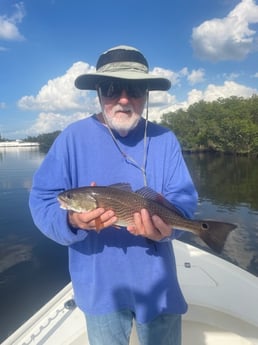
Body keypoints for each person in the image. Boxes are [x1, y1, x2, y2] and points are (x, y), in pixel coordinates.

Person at [29, 45, 198, 345]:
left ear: (146, 93)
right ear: (97, 91)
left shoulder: (165, 139)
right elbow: (42, 200)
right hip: (99, 288)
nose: (123, 98)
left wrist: (167, 230)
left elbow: (183, 199)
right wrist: (71, 221)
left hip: (159, 285)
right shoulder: (71, 138)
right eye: (110, 88)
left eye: (134, 89)